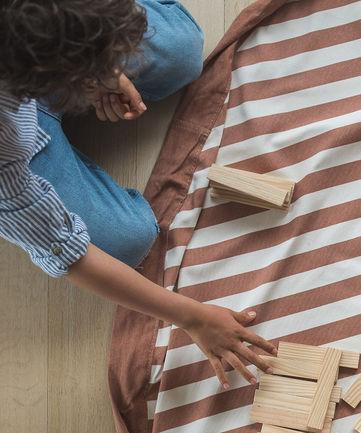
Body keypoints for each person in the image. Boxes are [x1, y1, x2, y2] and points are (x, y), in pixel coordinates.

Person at [0, 0, 274, 388]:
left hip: (32, 64)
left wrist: (102, 67)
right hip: (15, 139)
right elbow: (70, 254)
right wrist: (193, 317)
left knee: (180, 51)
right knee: (125, 242)